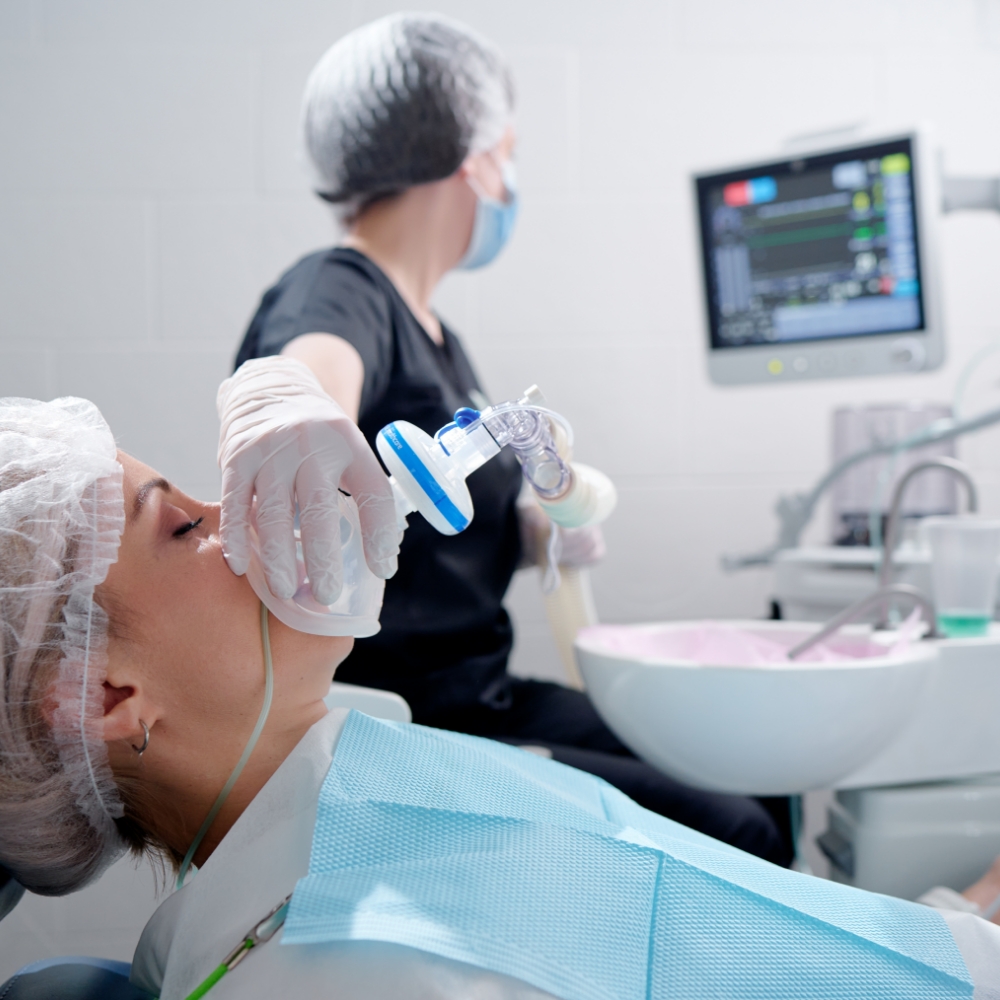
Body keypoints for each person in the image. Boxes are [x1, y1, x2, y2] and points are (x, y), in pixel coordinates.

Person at [3, 394, 1000, 1000]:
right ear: (106, 699)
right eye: (179, 526)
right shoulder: (358, 966)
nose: (240, 512)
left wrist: (956, 927)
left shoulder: (356, 780)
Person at [229, 12, 791, 864]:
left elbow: (430, 522)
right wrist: (295, 414)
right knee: (739, 826)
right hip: (411, 729)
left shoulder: (438, 333)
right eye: (511, 149)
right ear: (474, 157)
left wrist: (523, 533)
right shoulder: (339, 288)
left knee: (754, 766)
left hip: (482, 696)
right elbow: (312, 370)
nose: (510, 175)